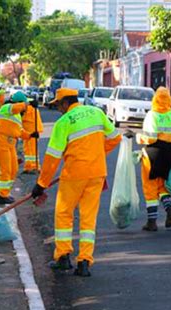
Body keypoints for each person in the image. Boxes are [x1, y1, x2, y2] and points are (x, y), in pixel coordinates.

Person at [31, 88, 122, 277]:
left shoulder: (63, 123)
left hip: (74, 175)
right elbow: (115, 137)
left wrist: (41, 184)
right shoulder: (96, 112)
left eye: (58, 105)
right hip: (97, 173)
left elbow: (52, 158)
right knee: (88, 218)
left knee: (64, 214)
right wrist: (96, 153)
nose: (58, 109)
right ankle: (84, 263)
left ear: (65, 103)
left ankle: (63, 257)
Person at [125, 87, 171, 231]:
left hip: (152, 154)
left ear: (155, 100)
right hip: (169, 154)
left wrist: (138, 137)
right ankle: (170, 210)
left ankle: (152, 222)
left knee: (150, 187)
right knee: (162, 186)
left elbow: (151, 138)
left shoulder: (152, 115)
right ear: (169, 100)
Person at [0, 91, 39, 205]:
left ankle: (5, 192)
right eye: (23, 105)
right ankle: (2, 195)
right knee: (6, 169)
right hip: (0, 142)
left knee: (14, 169)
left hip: (10, 144)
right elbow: (16, 108)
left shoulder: (17, 115)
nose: (24, 109)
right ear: (18, 102)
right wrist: (28, 104)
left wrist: (30, 135)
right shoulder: (7, 108)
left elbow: (19, 131)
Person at [21, 98, 44, 174]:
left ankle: (34, 167)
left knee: (32, 150)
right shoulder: (32, 108)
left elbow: (23, 118)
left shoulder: (28, 110)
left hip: (31, 132)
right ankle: (29, 166)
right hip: (28, 132)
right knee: (28, 150)